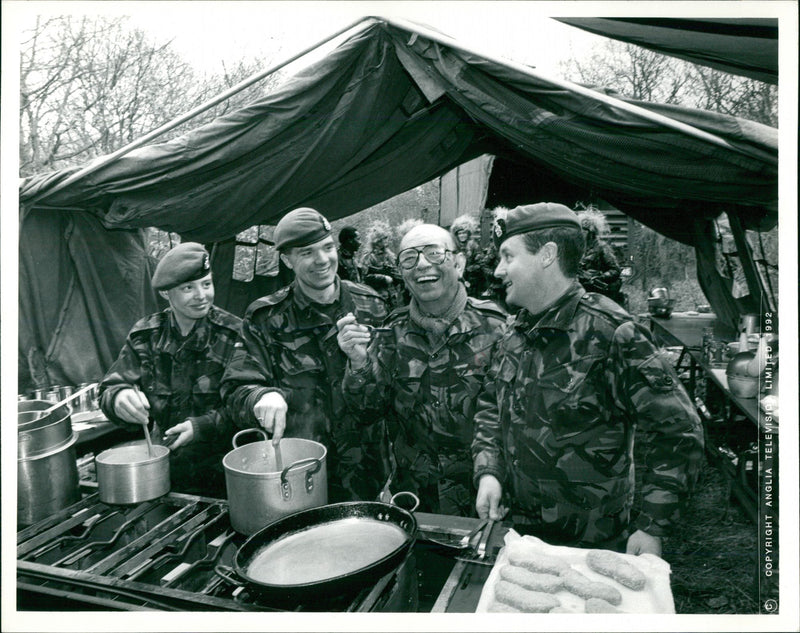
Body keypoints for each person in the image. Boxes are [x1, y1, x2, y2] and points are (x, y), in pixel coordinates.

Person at [472, 202, 704, 555]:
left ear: (547, 255)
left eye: (507, 257)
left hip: (592, 541)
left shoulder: (613, 333)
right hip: (519, 531)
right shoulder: (516, 330)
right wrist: (490, 471)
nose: (498, 271)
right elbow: (491, 403)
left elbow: (678, 430)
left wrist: (652, 525)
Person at [221, 208, 389, 502]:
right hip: (299, 477)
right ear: (287, 260)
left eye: (327, 247)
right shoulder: (266, 316)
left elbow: (391, 392)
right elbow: (235, 388)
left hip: (366, 475)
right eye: (307, 252)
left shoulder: (371, 305)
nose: (322, 260)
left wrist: (361, 363)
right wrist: (260, 397)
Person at [338, 223, 507, 516]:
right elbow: (367, 410)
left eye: (434, 253)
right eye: (409, 258)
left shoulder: (498, 328)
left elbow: (510, 420)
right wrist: (358, 363)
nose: (422, 265)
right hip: (416, 502)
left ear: (459, 262)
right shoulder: (392, 329)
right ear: (402, 272)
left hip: (483, 501)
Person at [98, 242, 242, 497]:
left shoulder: (235, 334)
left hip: (225, 476)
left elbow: (247, 404)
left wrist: (202, 427)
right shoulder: (146, 335)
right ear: (166, 293)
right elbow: (110, 388)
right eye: (188, 288)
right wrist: (119, 398)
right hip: (164, 475)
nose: (201, 295)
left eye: (207, 284)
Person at [575, 207, 624, 304]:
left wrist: (600, 276)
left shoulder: (602, 248)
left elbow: (615, 270)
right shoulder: (577, 248)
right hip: (580, 291)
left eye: (583, 230)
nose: (580, 233)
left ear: (591, 232)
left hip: (598, 294)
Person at [360, 220, 406, 310]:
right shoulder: (369, 257)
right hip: (378, 296)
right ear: (377, 241)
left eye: (386, 237)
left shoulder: (389, 255)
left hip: (393, 295)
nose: (386, 240)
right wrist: (383, 278)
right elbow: (365, 278)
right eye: (383, 238)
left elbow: (395, 271)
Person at [449, 214, 483, 298]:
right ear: (457, 235)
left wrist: (469, 269)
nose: (462, 235)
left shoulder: (473, 245)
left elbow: (480, 263)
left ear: (468, 234)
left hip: (471, 280)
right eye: (460, 233)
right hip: (456, 279)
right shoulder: (453, 246)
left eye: (464, 233)